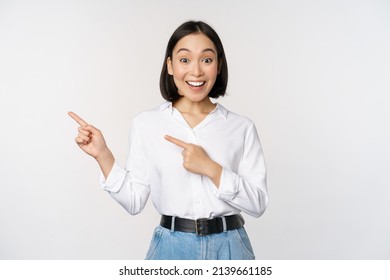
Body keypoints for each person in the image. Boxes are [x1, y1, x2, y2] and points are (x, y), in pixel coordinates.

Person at [69, 20, 268, 260]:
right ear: (170, 65)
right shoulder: (146, 123)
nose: (196, 71)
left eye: (206, 59)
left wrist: (212, 169)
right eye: (185, 60)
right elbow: (134, 201)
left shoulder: (241, 128)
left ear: (218, 66)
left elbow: (258, 204)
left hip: (230, 248)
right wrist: (103, 155)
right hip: (171, 248)